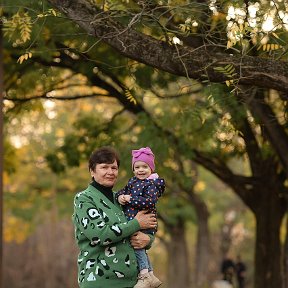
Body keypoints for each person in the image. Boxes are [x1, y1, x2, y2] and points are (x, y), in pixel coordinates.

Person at [72, 147, 157, 288]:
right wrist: (136, 224)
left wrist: (148, 239)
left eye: (114, 168)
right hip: (100, 282)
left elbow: (147, 223)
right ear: (92, 171)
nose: (110, 172)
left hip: (133, 283)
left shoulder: (122, 199)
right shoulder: (84, 199)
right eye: (104, 167)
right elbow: (100, 235)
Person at [116, 147, 165, 288]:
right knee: (140, 247)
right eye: (137, 167)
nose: (141, 170)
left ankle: (144, 274)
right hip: (135, 221)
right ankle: (151, 275)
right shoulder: (132, 182)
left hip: (146, 223)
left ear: (151, 169)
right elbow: (122, 191)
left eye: (145, 166)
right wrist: (120, 197)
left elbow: (150, 201)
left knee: (137, 245)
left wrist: (130, 199)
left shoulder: (152, 184)